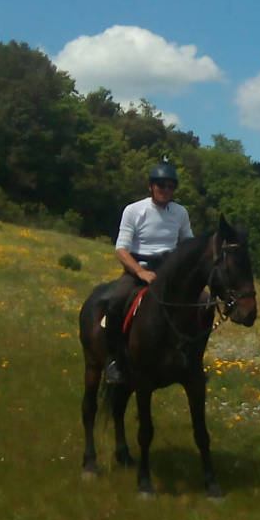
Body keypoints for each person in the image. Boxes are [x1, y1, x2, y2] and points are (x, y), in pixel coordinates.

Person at [103, 160, 194, 384]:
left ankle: (192, 360)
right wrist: (141, 273)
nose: (165, 190)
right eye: (161, 185)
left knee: (200, 303)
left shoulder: (180, 213)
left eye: (170, 186)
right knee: (116, 301)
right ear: (151, 186)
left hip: (168, 274)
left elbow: (188, 244)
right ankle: (114, 360)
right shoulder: (134, 210)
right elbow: (121, 250)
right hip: (138, 270)